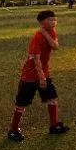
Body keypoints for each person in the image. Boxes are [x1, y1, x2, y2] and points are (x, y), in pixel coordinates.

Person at [8, 10, 69, 141]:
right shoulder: (37, 37)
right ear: (42, 23)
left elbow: (55, 46)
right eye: (50, 20)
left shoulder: (51, 32)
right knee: (21, 105)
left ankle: (54, 126)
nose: (54, 22)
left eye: (55, 19)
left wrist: (46, 34)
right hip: (30, 76)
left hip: (44, 73)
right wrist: (41, 78)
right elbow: (36, 59)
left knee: (52, 99)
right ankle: (13, 130)